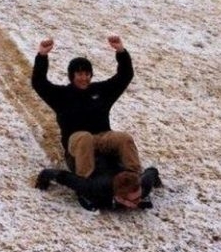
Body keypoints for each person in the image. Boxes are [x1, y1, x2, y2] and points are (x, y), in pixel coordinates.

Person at [31, 36, 141, 179]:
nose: (84, 78)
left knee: (124, 138)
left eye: (87, 74)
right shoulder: (61, 95)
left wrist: (121, 51)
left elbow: (125, 76)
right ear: (72, 76)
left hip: (102, 138)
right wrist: (42, 55)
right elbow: (39, 82)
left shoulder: (100, 91)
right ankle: (86, 181)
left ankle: (133, 179)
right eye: (80, 74)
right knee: (85, 137)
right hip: (77, 142)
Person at [35, 160, 162, 212]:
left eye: (139, 195)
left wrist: (158, 183)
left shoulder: (142, 187)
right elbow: (52, 174)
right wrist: (41, 185)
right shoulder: (93, 189)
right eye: (134, 199)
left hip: (110, 157)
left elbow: (152, 171)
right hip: (86, 158)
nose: (140, 199)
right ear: (119, 197)